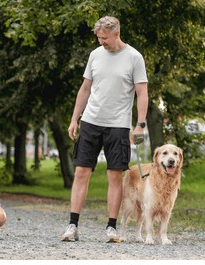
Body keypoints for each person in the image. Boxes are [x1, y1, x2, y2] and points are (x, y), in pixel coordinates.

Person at [61, 16, 148, 242]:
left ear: (117, 33)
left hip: (118, 125)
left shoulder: (134, 57)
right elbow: (85, 89)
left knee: (114, 176)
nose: (101, 42)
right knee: (81, 172)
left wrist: (140, 124)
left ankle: (111, 228)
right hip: (90, 121)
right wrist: (74, 119)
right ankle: (72, 226)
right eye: (98, 38)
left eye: (105, 38)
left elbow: (142, 93)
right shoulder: (95, 55)